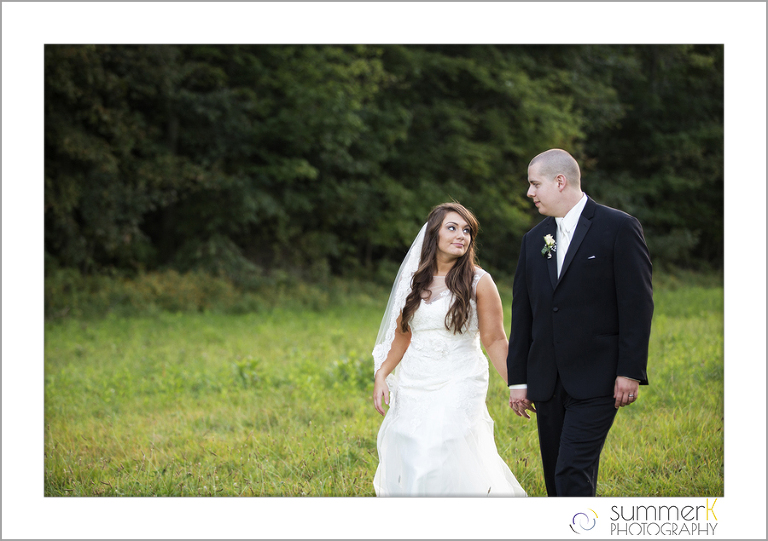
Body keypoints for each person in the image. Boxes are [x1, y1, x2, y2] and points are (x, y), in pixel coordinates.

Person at [506, 149, 654, 497]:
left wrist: (630, 370)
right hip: (547, 381)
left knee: (571, 470)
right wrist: (519, 380)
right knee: (555, 479)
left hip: (599, 377)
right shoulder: (534, 240)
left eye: (535, 184)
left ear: (560, 181)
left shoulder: (619, 227)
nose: (529, 192)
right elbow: (523, 314)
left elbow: (637, 304)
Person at [372, 202, 526, 497]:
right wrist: (382, 373)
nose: (461, 236)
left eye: (467, 230)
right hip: (415, 379)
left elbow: (495, 339)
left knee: (443, 445)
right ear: (434, 234)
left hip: (461, 376)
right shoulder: (413, 281)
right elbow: (402, 335)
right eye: (452, 228)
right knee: (412, 447)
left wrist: (516, 384)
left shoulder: (480, 281)